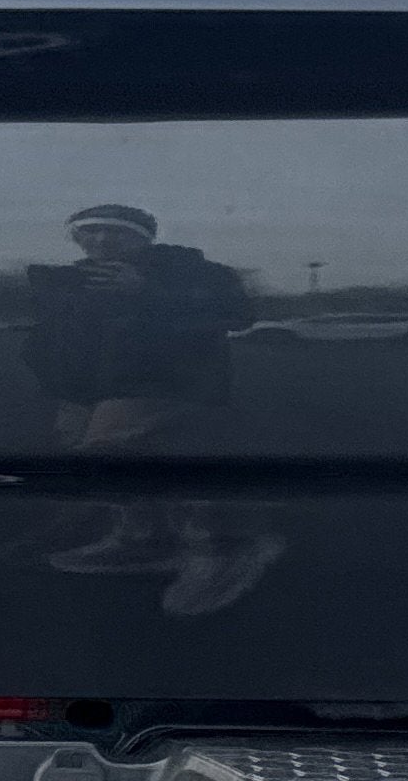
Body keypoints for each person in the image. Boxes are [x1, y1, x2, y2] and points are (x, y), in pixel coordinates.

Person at [23, 204, 280, 614]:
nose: (102, 241)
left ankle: (231, 548)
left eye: (117, 232)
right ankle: (143, 539)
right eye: (90, 232)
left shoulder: (187, 269)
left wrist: (147, 292)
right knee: (83, 454)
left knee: (110, 449)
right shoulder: (71, 279)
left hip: (170, 381)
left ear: (145, 238)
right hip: (94, 388)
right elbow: (54, 336)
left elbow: (237, 314)